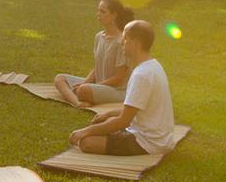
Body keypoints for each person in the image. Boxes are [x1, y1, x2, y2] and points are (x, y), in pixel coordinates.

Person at [68, 20, 175, 156]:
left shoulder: (141, 75)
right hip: (159, 138)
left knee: (86, 142)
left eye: (125, 39)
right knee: (106, 121)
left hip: (148, 142)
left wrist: (85, 131)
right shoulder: (153, 65)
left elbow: (124, 121)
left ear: (135, 43)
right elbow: (134, 108)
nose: (121, 43)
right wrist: (108, 113)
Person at [53, 0, 133, 106]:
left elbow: (119, 78)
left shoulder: (121, 42)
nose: (98, 14)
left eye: (102, 11)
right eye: (98, 10)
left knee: (83, 90)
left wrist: (92, 86)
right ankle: (77, 103)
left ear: (114, 15)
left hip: (117, 90)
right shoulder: (99, 37)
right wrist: (85, 82)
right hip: (98, 85)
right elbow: (97, 68)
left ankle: (82, 96)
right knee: (59, 79)